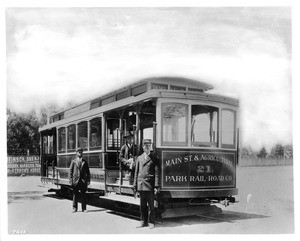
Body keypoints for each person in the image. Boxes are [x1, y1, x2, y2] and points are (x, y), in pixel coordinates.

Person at [133, 139, 159, 229]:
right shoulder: (139, 158)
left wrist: (156, 186)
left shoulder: (154, 158)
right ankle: (143, 221)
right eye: (145, 146)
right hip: (141, 185)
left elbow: (157, 173)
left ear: (150, 147)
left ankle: (151, 222)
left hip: (150, 185)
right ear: (143, 147)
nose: (147, 147)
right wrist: (135, 186)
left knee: (151, 205)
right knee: (142, 205)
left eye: (148, 146)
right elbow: (136, 173)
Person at [69, 147, 90, 213]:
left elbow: (88, 172)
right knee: (75, 194)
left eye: (81, 152)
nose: (80, 153)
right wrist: (71, 180)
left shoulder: (85, 162)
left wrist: (88, 180)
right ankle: (74, 208)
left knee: (83, 194)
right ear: (76, 153)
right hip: (76, 180)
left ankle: (84, 209)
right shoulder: (73, 161)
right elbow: (70, 171)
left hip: (83, 180)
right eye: (79, 152)